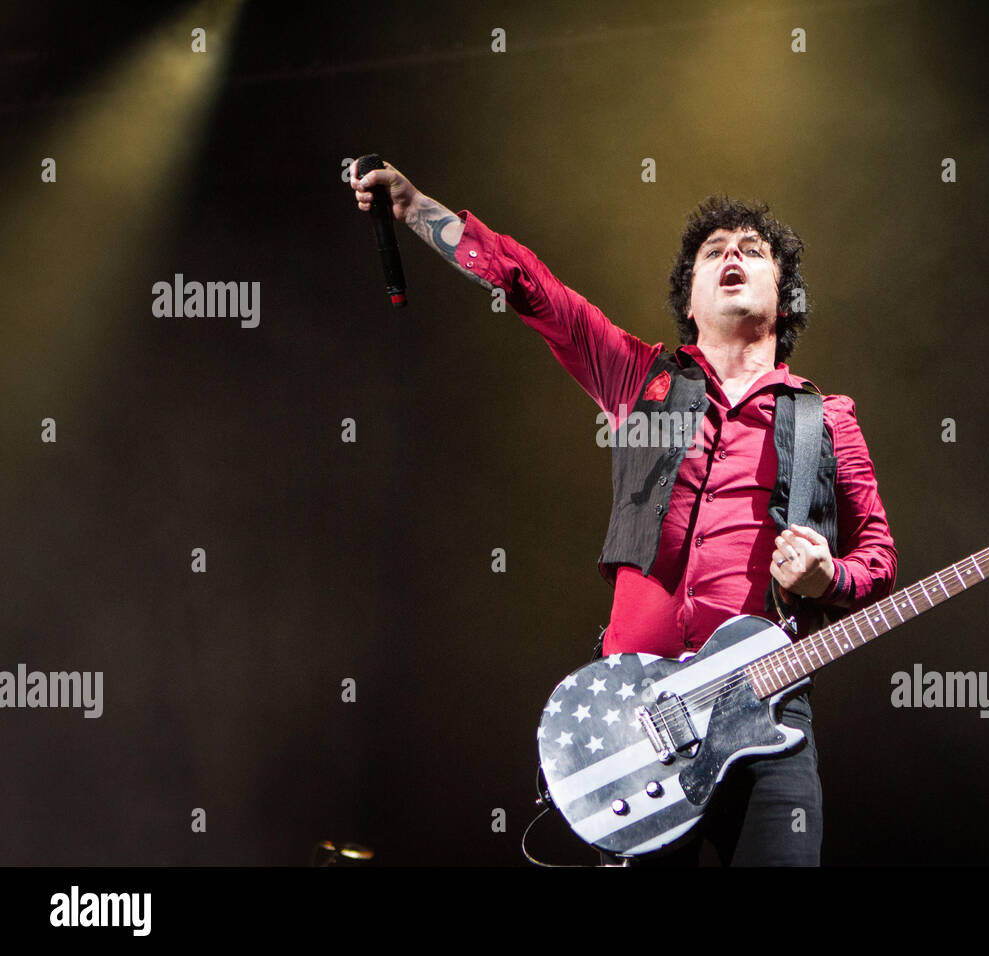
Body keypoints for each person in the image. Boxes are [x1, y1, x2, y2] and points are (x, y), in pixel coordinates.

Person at [350, 161, 898, 865]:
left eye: (752, 250)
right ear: (690, 302)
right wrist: (417, 206)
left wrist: (829, 581)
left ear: (785, 300)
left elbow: (878, 560)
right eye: (714, 251)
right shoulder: (642, 381)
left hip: (766, 717)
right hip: (637, 719)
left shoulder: (828, 420)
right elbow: (532, 291)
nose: (732, 254)